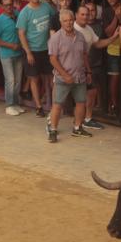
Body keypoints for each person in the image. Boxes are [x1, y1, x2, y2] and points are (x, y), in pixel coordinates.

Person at [46, 8, 94, 143]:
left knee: (81, 102)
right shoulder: (56, 38)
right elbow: (53, 59)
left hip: (79, 76)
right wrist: (64, 75)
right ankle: (53, 130)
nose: (68, 23)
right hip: (63, 78)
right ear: (61, 22)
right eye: (65, 21)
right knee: (57, 104)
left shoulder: (80, 36)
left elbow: (84, 55)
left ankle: (77, 127)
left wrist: (88, 71)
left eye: (70, 20)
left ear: (74, 20)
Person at [16, 0, 57, 116]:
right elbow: (21, 33)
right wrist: (28, 52)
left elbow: (56, 17)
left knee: (51, 78)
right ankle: (39, 107)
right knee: (34, 79)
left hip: (47, 49)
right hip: (32, 50)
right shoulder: (24, 12)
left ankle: (55, 105)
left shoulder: (46, 6)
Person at [0, 0, 25, 116]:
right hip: (6, 54)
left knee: (17, 80)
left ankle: (15, 103)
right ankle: (9, 105)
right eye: (6, 5)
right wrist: (11, 45)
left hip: (18, 53)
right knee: (10, 80)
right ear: (2, 7)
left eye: (10, 5)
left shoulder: (17, 15)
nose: (9, 7)